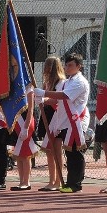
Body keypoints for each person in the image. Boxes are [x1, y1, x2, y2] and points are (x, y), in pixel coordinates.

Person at [35, 52, 90, 193]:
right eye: (66, 65)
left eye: (70, 65)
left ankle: (75, 184)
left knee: (76, 153)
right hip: (66, 121)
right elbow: (57, 100)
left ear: (79, 66)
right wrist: (43, 100)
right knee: (70, 154)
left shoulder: (79, 81)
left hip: (76, 120)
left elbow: (64, 96)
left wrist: (43, 93)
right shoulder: (68, 81)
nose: (67, 67)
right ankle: (70, 183)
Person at [37, 56, 65, 191]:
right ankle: (51, 180)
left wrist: (44, 99)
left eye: (48, 66)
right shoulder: (46, 82)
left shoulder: (61, 82)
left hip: (56, 116)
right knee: (49, 150)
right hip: (47, 115)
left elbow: (57, 100)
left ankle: (59, 181)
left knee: (57, 150)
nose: (46, 69)